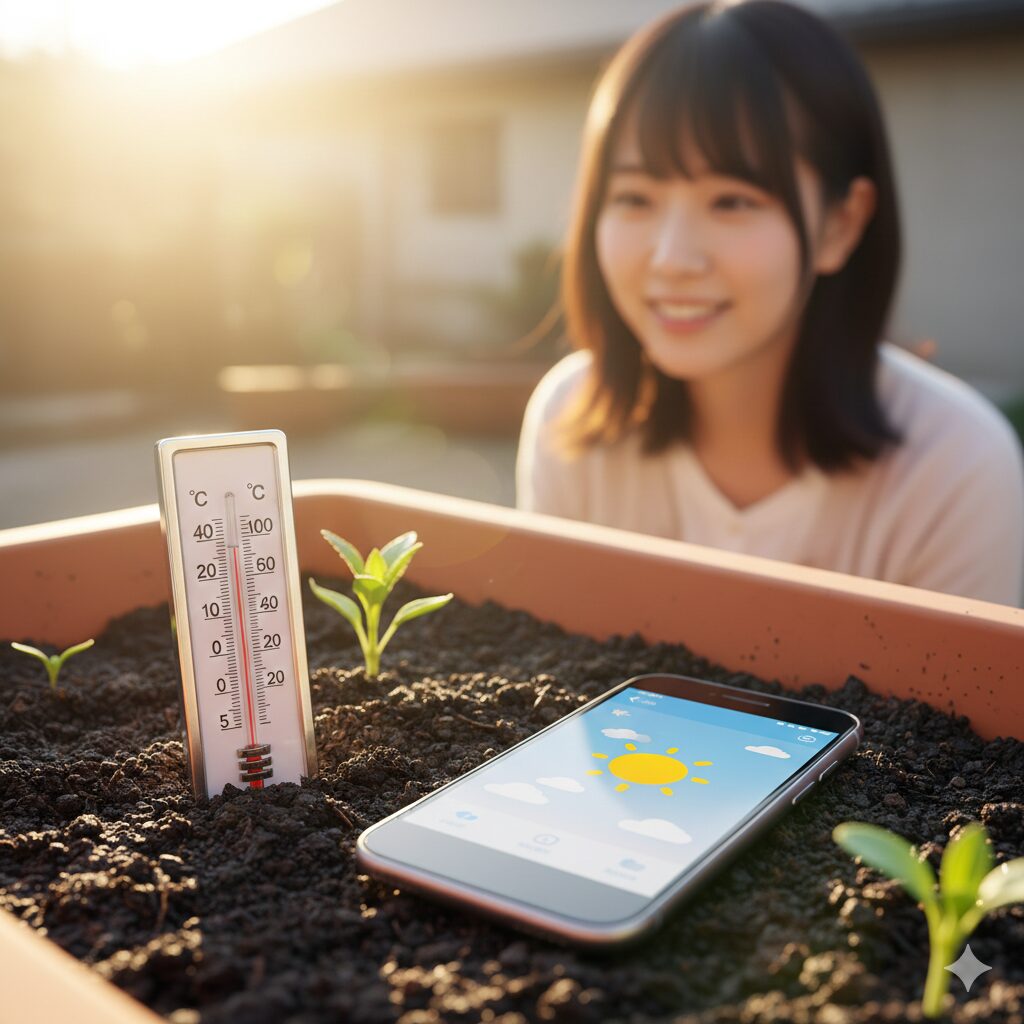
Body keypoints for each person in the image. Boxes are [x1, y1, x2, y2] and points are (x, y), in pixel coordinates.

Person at [516, 0, 1024, 606]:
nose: (672, 257)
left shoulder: (953, 470)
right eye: (633, 197)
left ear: (840, 223)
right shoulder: (573, 426)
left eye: (732, 201)